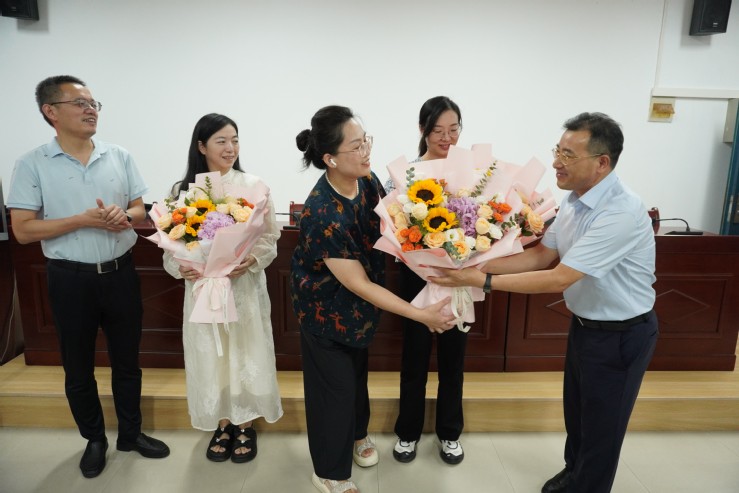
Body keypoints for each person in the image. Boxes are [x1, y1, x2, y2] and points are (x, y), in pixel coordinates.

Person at [431, 112, 659, 493]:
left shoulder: (620, 211)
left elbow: (558, 278)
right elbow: (540, 256)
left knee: (602, 430)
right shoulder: (573, 201)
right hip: (585, 326)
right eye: (558, 150)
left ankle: (587, 485)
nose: (556, 162)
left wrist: (482, 281)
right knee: (578, 415)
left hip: (621, 334)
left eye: (569, 155)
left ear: (602, 163)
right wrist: (472, 262)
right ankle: (573, 473)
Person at [7, 75, 169, 479]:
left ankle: (130, 434)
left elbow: (139, 210)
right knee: (78, 367)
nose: (91, 110)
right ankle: (94, 439)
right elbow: (23, 230)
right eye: (80, 103)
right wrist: (81, 220)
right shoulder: (31, 163)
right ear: (50, 112)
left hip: (120, 274)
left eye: (94, 103)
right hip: (70, 278)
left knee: (127, 362)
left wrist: (122, 215)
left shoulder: (119, 155)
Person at [291, 105, 456, 493]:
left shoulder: (366, 181)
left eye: (365, 141)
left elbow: (395, 223)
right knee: (334, 393)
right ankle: (329, 473)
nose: (366, 151)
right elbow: (359, 284)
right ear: (330, 159)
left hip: (359, 313)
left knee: (354, 377)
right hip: (325, 313)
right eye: (356, 146)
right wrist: (421, 314)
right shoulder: (321, 211)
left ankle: (357, 434)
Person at [163, 113, 283, 463]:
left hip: (242, 288)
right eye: (221, 141)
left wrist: (251, 259)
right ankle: (223, 422)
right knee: (213, 357)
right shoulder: (182, 192)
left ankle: (245, 423)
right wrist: (183, 266)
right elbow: (172, 245)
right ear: (202, 147)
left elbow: (270, 238)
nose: (231, 148)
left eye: (235, 140)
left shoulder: (254, 185)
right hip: (203, 290)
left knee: (245, 351)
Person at [387, 96, 468, 465]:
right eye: (438, 130)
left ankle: (450, 433)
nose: (447, 138)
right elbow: (393, 224)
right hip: (416, 276)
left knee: (454, 360)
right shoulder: (406, 173)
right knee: (414, 358)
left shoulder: (470, 171)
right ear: (422, 130)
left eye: (453, 129)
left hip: (457, 276)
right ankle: (407, 432)